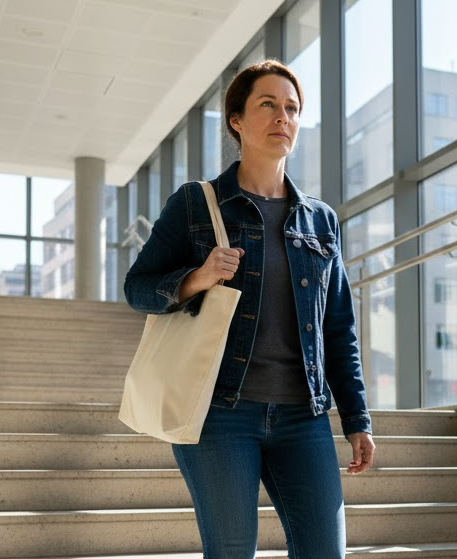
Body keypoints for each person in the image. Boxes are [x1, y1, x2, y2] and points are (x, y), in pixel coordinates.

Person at [123, 59, 375, 558]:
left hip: (303, 416)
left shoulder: (320, 219)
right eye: (268, 104)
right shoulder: (197, 203)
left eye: (292, 108)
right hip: (219, 413)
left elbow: (338, 326)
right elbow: (137, 288)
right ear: (236, 120)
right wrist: (198, 277)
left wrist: (357, 418)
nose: (283, 116)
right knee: (232, 550)